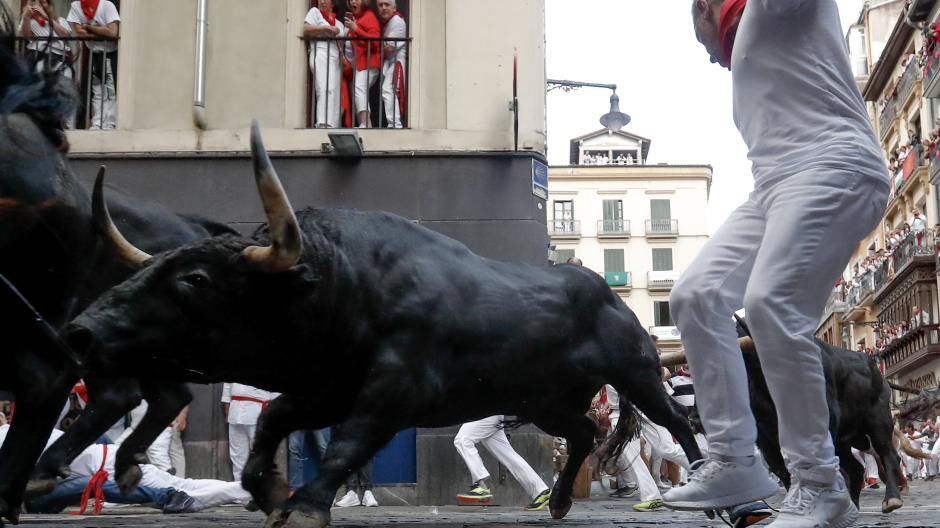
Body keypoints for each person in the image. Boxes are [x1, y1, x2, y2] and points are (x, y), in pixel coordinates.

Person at [668, 1, 890, 527]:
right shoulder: (747, 45)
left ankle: (820, 483)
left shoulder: (774, 9)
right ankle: (734, 461)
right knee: (695, 296)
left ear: (706, 7)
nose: (706, 53)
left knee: (772, 302)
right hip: (772, 188)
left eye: (698, 35)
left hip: (836, 165)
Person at [453, 416, 552, 511]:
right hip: (492, 414)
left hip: (485, 412)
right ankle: (542, 491)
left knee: (462, 440)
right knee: (509, 456)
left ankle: (480, 485)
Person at [67, 0, 120, 130]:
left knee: (110, 90)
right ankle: (97, 122)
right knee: (97, 89)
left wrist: (89, 27)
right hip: (94, 54)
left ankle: (110, 123)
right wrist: (102, 30)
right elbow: (79, 33)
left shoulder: (106, 5)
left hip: (109, 53)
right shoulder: (75, 6)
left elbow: (113, 32)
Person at [221, 383, 280, 482]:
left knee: (260, 456)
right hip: (235, 413)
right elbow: (227, 387)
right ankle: (239, 493)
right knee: (237, 456)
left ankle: (260, 492)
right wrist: (227, 412)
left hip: (259, 413)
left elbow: (277, 394)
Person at [305, 0, 345, 128]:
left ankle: (333, 124)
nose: (322, 1)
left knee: (334, 91)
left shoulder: (338, 23)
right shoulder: (315, 12)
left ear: (332, 4)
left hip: (335, 57)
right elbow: (306, 29)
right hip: (321, 52)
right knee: (324, 87)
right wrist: (327, 27)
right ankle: (323, 123)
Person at [344, 0, 381, 128]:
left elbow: (375, 42)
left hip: (369, 62)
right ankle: (365, 125)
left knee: (359, 89)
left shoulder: (369, 17)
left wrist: (355, 29)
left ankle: (365, 124)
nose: (353, 1)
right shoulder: (358, 18)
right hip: (360, 64)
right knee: (357, 92)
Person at [378, 0, 405, 128]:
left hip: (397, 62)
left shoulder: (397, 22)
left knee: (388, 89)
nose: (383, 8)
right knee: (388, 90)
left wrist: (374, 54)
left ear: (395, 7)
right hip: (390, 63)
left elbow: (389, 49)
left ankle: (395, 124)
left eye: (387, 4)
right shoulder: (388, 23)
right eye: (380, 5)